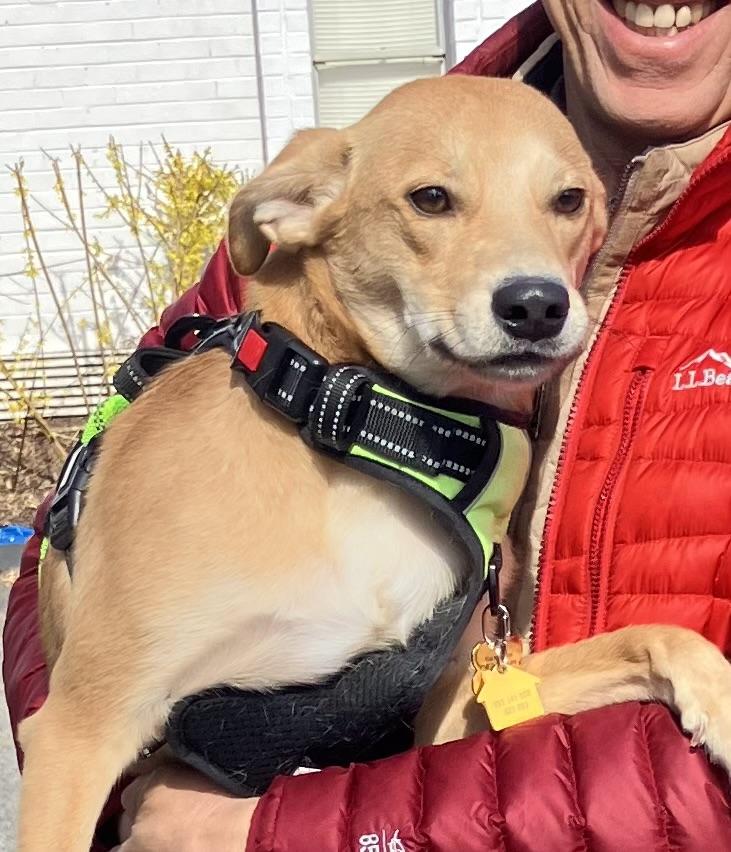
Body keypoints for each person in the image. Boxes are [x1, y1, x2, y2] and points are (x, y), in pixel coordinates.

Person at [6, 1, 731, 848]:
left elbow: (469, 711)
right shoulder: (296, 265)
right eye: (433, 201)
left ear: (591, 225)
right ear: (293, 216)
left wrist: (655, 657)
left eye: (562, 202)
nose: (531, 282)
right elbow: (68, 703)